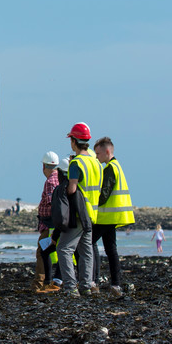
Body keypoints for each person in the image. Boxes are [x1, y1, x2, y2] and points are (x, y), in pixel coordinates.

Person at [58, 123, 100, 297]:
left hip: (78, 212)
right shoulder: (95, 162)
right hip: (92, 214)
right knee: (86, 251)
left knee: (64, 249)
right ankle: (85, 286)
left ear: (74, 141)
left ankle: (70, 287)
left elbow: (72, 189)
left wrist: (63, 187)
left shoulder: (76, 163)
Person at [92, 137, 134, 299]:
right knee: (111, 250)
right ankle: (115, 284)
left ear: (107, 151)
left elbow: (104, 195)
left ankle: (93, 281)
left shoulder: (110, 168)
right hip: (113, 216)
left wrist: (90, 200)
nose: (96, 157)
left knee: (87, 245)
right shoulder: (117, 166)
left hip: (106, 217)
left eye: (98, 153)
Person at [33, 151, 61, 291]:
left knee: (42, 252)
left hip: (50, 224)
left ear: (44, 166)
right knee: (51, 252)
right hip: (54, 224)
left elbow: (51, 203)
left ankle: (41, 283)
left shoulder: (50, 181)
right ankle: (50, 282)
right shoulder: (60, 178)